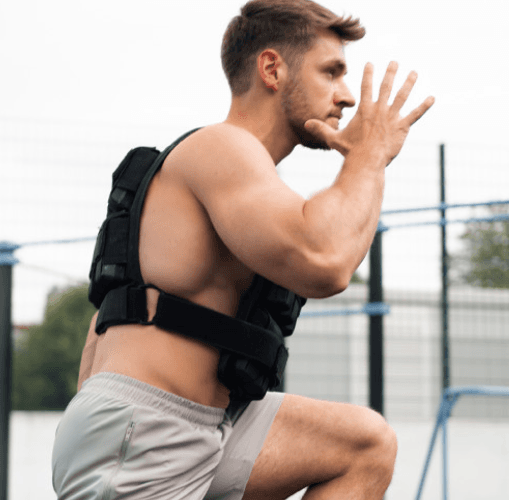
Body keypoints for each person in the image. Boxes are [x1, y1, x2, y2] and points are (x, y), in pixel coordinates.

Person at [51, 0, 433, 498]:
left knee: (364, 445)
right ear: (272, 68)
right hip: (143, 430)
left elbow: (105, 318)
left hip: (209, 426)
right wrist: (370, 155)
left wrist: (368, 160)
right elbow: (326, 261)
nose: (345, 95)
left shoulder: (249, 180)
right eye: (331, 72)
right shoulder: (220, 148)